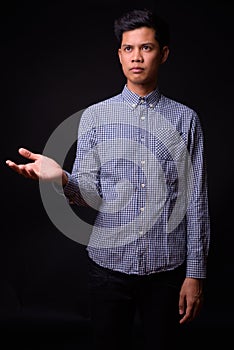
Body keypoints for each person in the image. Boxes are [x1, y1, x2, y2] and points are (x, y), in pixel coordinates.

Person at [6, 8, 210, 350]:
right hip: (109, 271)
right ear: (119, 55)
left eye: (146, 48)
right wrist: (63, 179)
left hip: (168, 273)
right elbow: (91, 193)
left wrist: (196, 273)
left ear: (163, 53)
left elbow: (197, 199)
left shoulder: (186, 120)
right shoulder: (95, 117)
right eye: (128, 49)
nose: (137, 57)